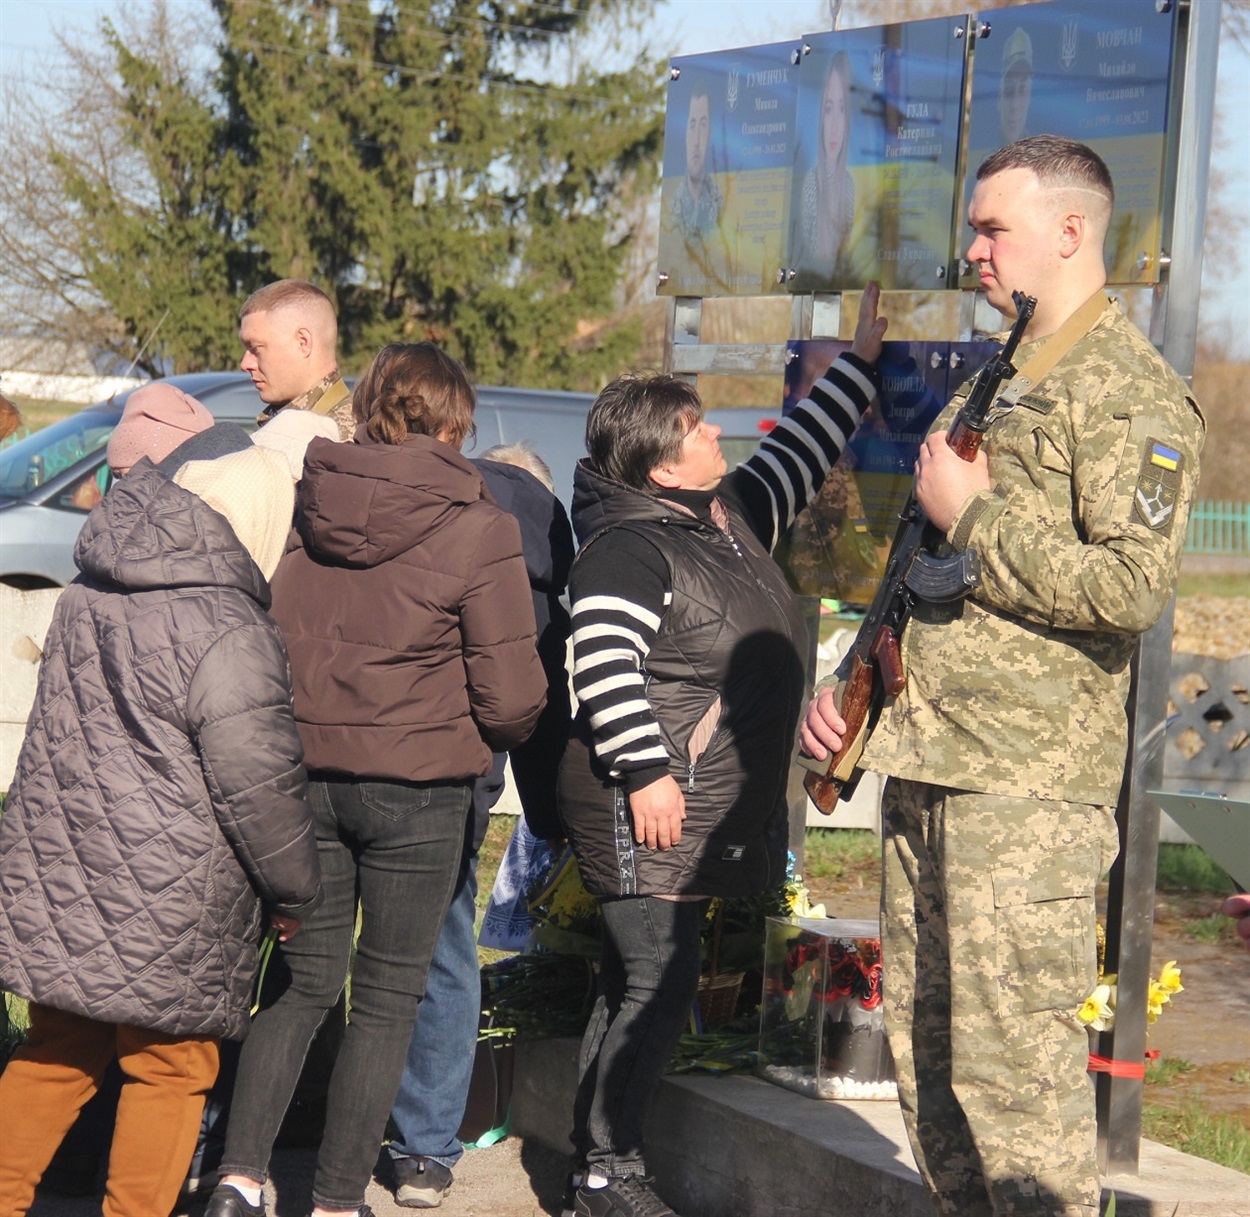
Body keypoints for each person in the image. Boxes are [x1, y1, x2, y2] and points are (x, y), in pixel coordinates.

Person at [799, 136, 1205, 1217]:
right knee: (929, 1068)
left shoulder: (1130, 395)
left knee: (1013, 1086)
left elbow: (1127, 587)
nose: (970, 249)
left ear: (1069, 232)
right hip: (928, 758)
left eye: (991, 228)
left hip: (1021, 790)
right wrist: (847, 688)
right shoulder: (993, 376)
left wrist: (972, 513)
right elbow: (919, 569)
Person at [555, 287, 886, 1217]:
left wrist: (856, 367)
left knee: (637, 983)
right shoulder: (627, 549)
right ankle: (607, 1171)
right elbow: (601, 665)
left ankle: (593, 1167)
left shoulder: (725, 520)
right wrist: (647, 772)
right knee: (656, 985)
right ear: (660, 468)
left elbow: (796, 455)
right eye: (696, 432)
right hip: (648, 802)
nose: (717, 441)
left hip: (693, 805)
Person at [205, 341, 547, 1217]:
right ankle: (330, 1200)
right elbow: (511, 704)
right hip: (420, 789)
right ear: (453, 422)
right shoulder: (482, 524)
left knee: (299, 981)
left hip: (305, 779)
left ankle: (239, 1179)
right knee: (389, 997)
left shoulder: (307, 506)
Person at [0, 443, 323, 1217]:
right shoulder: (232, 627)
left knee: (55, 1054)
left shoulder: (86, 592)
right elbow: (260, 783)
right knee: (171, 1068)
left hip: (67, 867)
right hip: (173, 888)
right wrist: (294, 888)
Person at [387, 439, 574, 1209]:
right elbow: (533, 714)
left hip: (348, 762)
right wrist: (552, 820)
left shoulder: (426, 524)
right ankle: (425, 1150)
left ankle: (253, 1140)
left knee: (335, 955)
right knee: (443, 952)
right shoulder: (545, 577)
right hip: (455, 785)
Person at [240, 279, 355, 441]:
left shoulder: (343, 438)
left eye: (256, 349)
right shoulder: (285, 424)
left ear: (303, 343)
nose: (245, 364)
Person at [796, 51, 856, 280]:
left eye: (842, 109)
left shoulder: (849, 187)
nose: (834, 126)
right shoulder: (811, 183)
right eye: (828, 108)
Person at [669, 77, 721, 240]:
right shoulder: (670, 209)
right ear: (684, 133)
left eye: (703, 125)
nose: (697, 140)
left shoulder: (721, 205)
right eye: (692, 125)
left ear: (711, 132)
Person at [997, 29, 1033, 146]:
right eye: (1009, 91)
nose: (1015, 105)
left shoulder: (1044, 161)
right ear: (999, 97)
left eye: (1022, 90)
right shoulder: (983, 161)